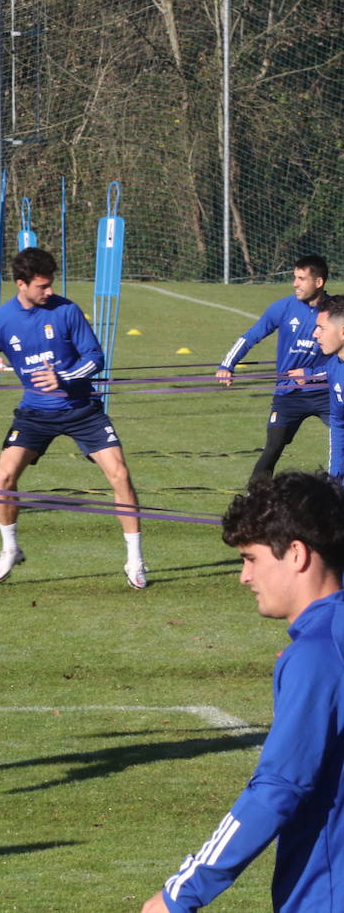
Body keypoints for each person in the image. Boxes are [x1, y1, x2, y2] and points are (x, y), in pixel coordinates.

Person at [142, 471, 344, 912]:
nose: (244, 577)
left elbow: (277, 789)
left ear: (296, 554)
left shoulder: (317, 654)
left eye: (250, 559)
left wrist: (181, 892)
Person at [0, 247, 146, 587]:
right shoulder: (1, 322)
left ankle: (135, 560)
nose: (49, 292)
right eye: (42, 287)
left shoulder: (67, 311)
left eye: (51, 285)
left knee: (120, 474)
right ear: (21, 284)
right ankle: (10, 549)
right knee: (4, 477)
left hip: (82, 409)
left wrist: (66, 378)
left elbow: (95, 357)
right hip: (35, 413)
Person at [215, 255, 330, 483]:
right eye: (294, 278)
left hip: (326, 390)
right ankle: (254, 498)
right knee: (273, 446)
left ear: (319, 282)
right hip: (288, 392)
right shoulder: (283, 307)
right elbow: (250, 337)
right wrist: (227, 365)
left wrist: (310, 375)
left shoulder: (336, 309)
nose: (295, 284)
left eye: (301, 278)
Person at [310, 293, 344, 480]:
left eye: (321, 328)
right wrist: (335, 480)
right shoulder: (333, 367)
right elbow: (339, 423)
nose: (315, 334)